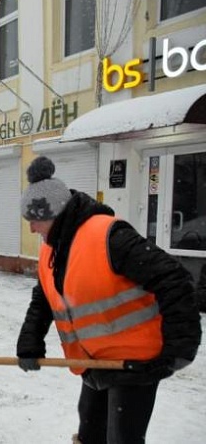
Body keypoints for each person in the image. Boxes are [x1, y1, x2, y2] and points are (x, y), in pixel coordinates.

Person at [15, 156, 201, 444]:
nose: (31, 229)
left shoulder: (109, 236)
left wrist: (180, 348)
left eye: (34, 221)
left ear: (54, 213)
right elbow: (44, 298)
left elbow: (174, 278)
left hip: (135, 364)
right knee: (90, 434)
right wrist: (30, 342)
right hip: (96, 362)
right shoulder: (52, 249)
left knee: (121, 439)